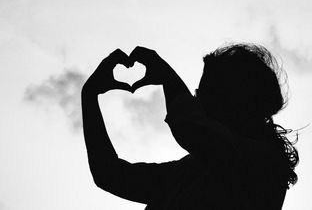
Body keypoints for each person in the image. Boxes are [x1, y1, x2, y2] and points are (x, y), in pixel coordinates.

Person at [81, 44, 299, 209]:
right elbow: (110, 175)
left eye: (203, 95)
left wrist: (167, 76)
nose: (196, 103)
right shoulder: (191, 170)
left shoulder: (261, 163)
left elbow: (191, 128)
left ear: (235, 103)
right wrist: (89, 96)